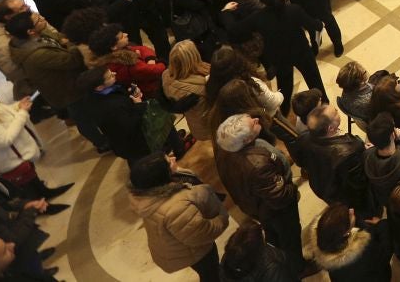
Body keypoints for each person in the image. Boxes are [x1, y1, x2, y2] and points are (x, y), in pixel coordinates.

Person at [214, 114, 308, 275]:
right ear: (246, 140)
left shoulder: (227, 150)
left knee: (274, 234)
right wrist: (292, 190)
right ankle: (298, 268)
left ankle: (277, 256)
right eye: (252, 124)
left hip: (257, 205)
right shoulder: (258, 166)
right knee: (290, 236)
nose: (256, 119)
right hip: (276, 209)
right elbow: (280, 197)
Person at [128, 152, 229, 282]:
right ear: (162, 176)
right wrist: (221, 218)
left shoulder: (145, 194)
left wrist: (176, 170)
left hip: (176, 246)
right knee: (211, 273)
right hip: (194, 253)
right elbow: (201, 234)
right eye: (169, 162)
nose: (173, 158)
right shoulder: (176, 207)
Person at [302, 203, 392, 282]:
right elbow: (385, 252)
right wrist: (382, 224)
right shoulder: (365, 251)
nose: (352, 210)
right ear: (346, 233)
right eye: (349, 215)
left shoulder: (325, 244)